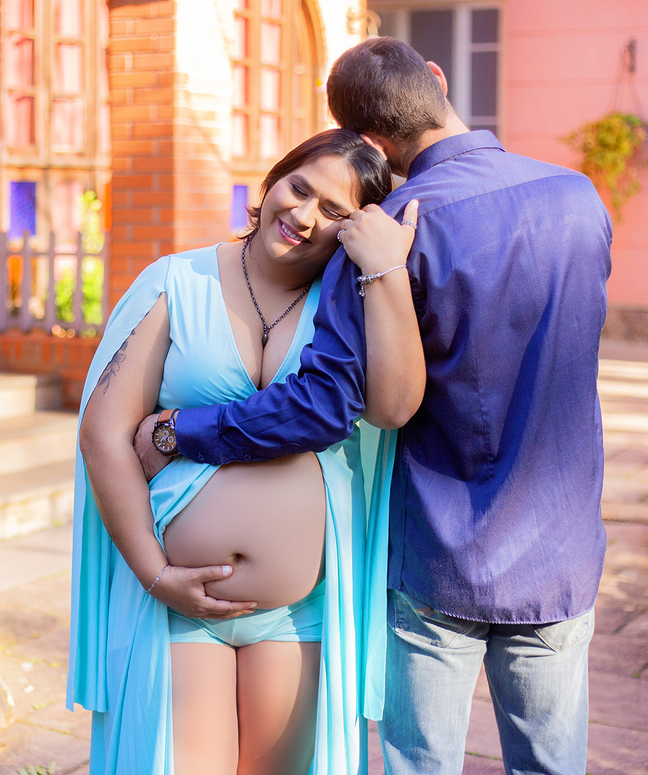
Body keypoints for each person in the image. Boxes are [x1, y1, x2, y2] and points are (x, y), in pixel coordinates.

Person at [136, 37, 613, 775]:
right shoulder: (578, 199)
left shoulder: (386, 232)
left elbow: (324, 405)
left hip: (438, 554)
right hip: (561, 549)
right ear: (437, 79)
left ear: (369, 143)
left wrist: (181, 430)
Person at [67, 128, 423, 775]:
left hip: (298, 612)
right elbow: (103, 435)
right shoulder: (178, 281)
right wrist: (156, 573)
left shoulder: (345, 312)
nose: (305, 216)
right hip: (176, 601)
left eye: (336, 212)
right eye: (299, 188)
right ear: (271, 182)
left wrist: (387, 266)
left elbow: (393, 407)